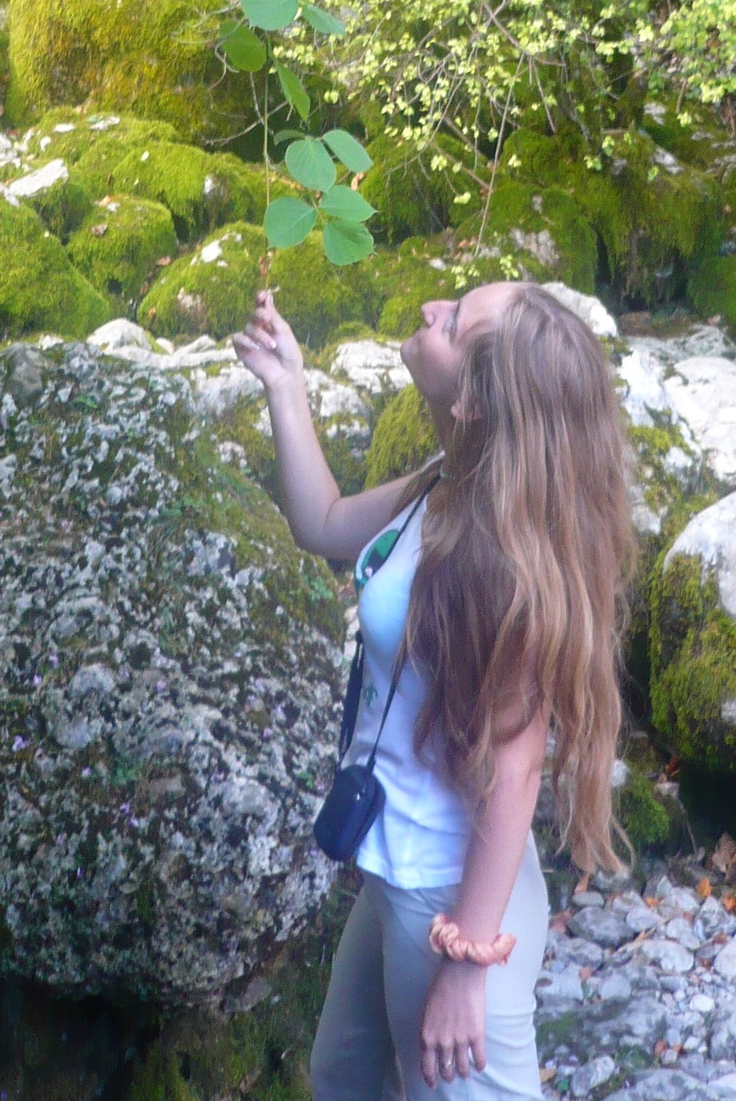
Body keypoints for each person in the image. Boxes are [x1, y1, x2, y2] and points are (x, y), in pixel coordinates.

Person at [233, 279, 634, 1098]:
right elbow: (324, 522)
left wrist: (466, 966)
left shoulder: (500, 566)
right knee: (343, 1077)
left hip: (446, 901)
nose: (427, 310)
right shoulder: (446, 486)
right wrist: (285, 383)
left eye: (452, 323)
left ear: (475, 403)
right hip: (399, 868)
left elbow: (516, 773)